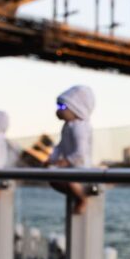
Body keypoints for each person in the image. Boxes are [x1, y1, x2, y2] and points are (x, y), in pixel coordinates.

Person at [47, 86, 95, 215]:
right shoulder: (67, 126)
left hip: (80, 168)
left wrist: (65, 162)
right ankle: (76, 195)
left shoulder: (80, 128)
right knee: (53, 180)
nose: (58, 111)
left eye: (62, 107)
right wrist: (52, 159)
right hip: (69, 167)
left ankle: (82, 199)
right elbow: (60, 146)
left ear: (76, 108)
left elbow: (81, 152)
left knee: (71, 182)